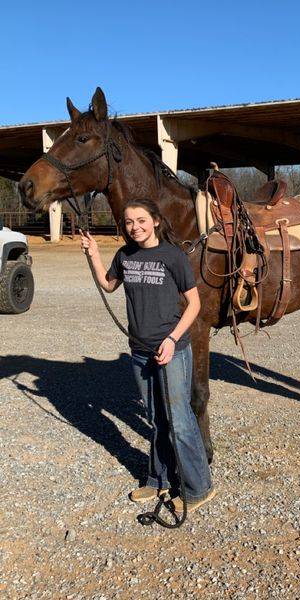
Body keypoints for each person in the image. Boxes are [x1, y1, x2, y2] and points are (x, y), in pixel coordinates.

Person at [80, 197, 215, 513]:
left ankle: (199, 487)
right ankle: (159, 479)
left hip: (171, 351)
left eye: (140, 220)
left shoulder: (173, 256)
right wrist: (94, 255)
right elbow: (108, 284)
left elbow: (194, 305)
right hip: (139, 352)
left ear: (155, 220)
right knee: (156, 419)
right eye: (128, 222)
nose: (134, 227)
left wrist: (171, 339)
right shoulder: (125, 255)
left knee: (179, 421)